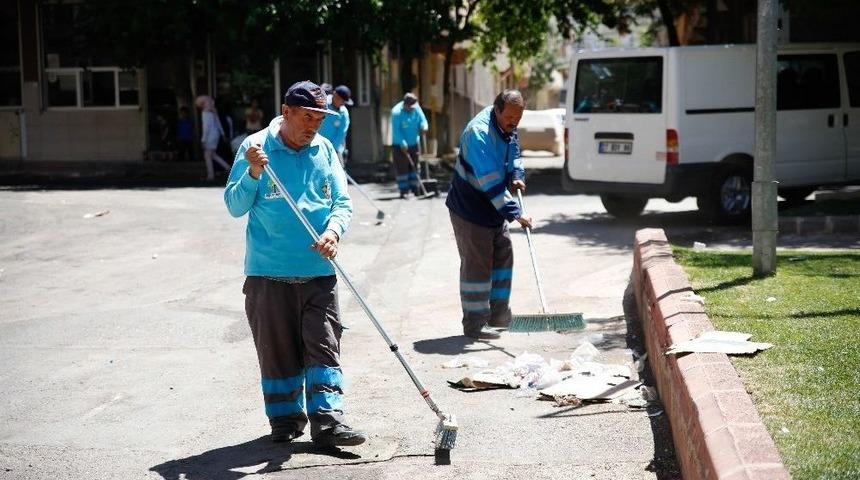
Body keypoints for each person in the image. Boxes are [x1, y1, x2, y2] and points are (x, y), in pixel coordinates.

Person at [223, 80, 366, 448]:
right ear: (286, 112)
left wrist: (333, 232)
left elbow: (342, 203)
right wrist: (253, 174)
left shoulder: (324, 149)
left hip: (319, 271)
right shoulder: (256, 148)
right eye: (307, 118)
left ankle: (329, 422)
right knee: (278, 353)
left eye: (319, 119)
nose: (313, 127)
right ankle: (285, 420)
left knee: (324, 347)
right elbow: (235, 206)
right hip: (268, 274)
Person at [445, 89, 533, 340]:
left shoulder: (508, 125)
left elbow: (514, 152)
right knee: (478, 266)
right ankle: (475, 323)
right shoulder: (478, 134)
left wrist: (516, 175)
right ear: (497, 110)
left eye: (518, 118)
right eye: (510, 118)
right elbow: (491, 181)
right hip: (470, 208)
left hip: (493, 207)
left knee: (503, 256)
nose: (514, 123)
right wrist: (516, 213)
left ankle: (498, 315)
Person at [390, 93, 428, 198]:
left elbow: (423, 120)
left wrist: (424, 126)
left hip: (414, 143)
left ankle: (416, 189)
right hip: (399, 145)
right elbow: (396, 131)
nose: (412, 109)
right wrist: (402, 143)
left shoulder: (416, 108)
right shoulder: (396, 112)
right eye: (410, 107)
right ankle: (404, 191)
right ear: (405, 104)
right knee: (402, 168)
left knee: (415, 166)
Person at [195, 95, 231, 180]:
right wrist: (222, 134)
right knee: (213, 155)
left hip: (209, 137)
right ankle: (228, 168)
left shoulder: (205, 113)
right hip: (216, 135)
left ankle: (211, 175)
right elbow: (218, 124)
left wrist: (203, 140)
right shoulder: (213, 111)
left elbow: (206, 127)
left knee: (207, 155)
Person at [318, 85, 353, 165]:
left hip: (334, 148)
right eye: (342, 100)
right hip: (317, 144)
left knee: (339, 169)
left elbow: (342, 133)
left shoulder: (344, 113)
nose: (343, 104)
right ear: (335, 95)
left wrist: (331, 149)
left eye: (344, 102)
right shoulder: (322, 103)